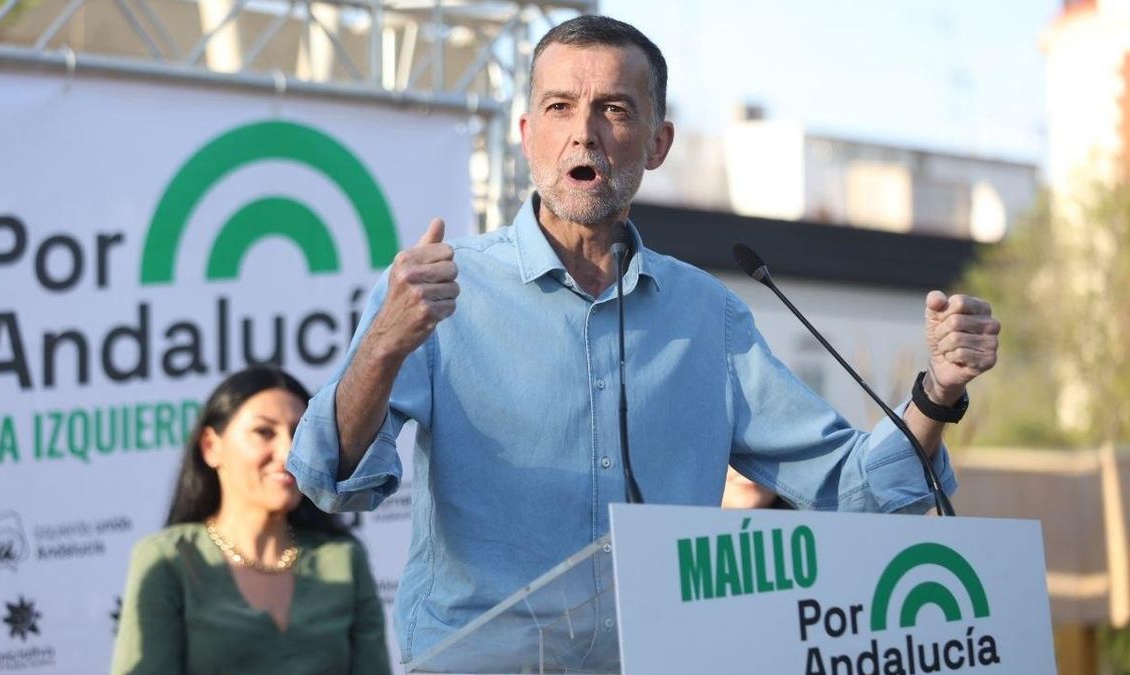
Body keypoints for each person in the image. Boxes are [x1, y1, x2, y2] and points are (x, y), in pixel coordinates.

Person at [286, 14, 1000, 665]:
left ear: (657, 143)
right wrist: (381, 347)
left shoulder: (706, 314)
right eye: (560, 107)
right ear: (527, 132)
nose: (583, 132)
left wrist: (937, 391)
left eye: (614, 109)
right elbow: (328, 476)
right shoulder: (444, 291)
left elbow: (852, 489)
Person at [111, 366, 390, 675]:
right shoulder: (169, 558)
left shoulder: (342, 559)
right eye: (264, 432)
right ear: (211, 446)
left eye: (299, 434)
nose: (287, 452)